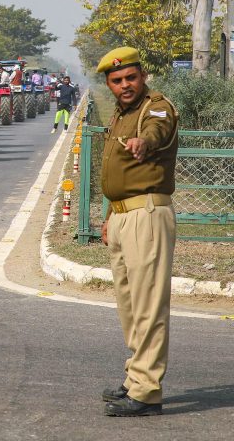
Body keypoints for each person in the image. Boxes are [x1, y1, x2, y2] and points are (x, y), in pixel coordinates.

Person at [96, 47, 179, 417]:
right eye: (117, 80)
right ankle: (136, 379)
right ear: (109, 84)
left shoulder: (155, 107)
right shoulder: (121, 112)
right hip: (122, 218)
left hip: (147, 215)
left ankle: (147, 390)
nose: (125, 85)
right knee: (129, 306)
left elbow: (156, 132)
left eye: (131, 77)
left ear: (143, 76)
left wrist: (144, 142)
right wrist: (110, 216)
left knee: (148, 305)